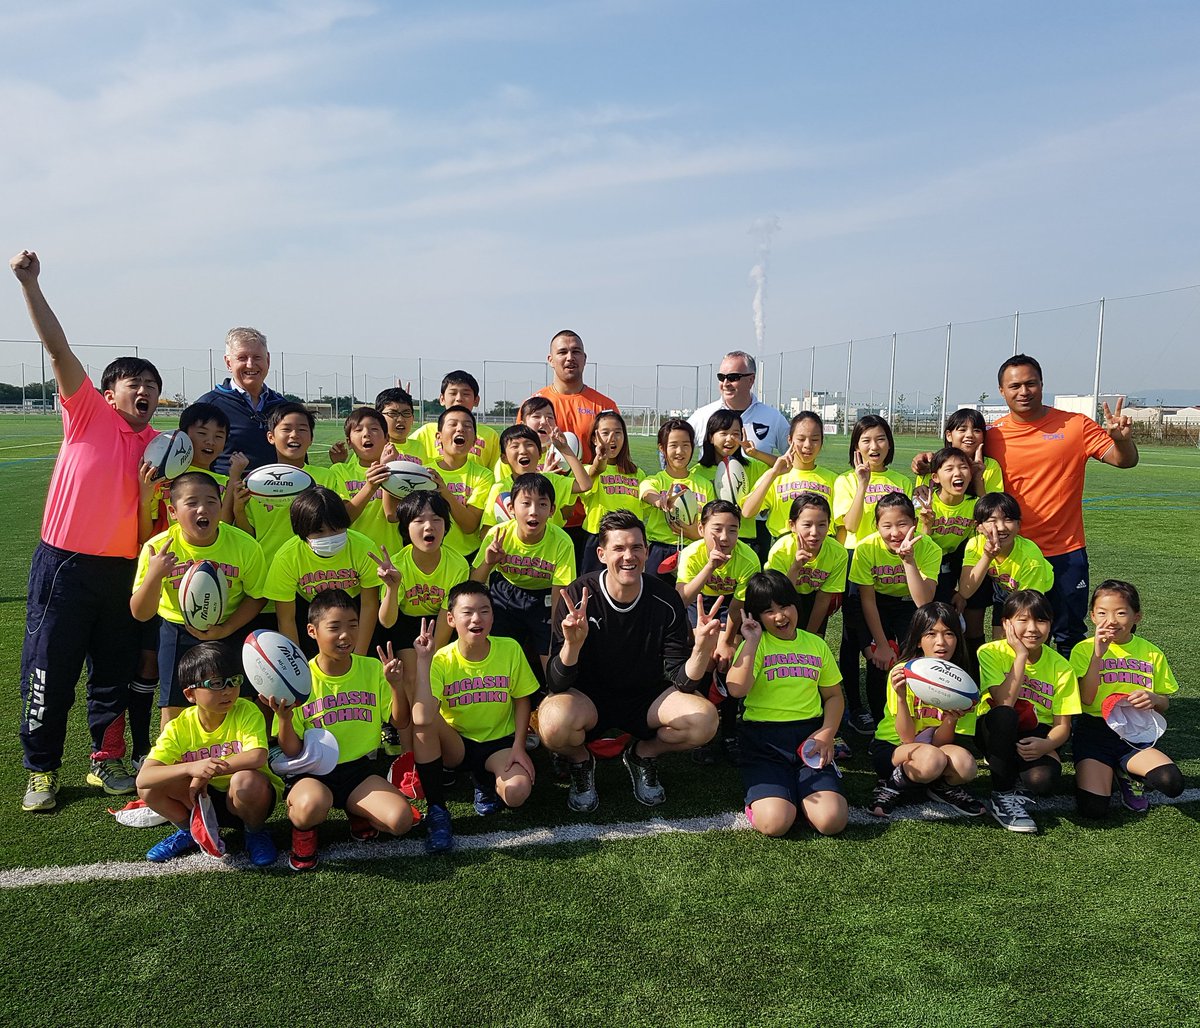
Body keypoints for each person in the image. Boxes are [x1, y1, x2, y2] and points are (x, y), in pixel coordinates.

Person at [12, 250, 163, 811]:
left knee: (113, 673)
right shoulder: (87, 414)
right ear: (108, 391)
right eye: (134, 383)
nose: (144, 391)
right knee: (49, 668)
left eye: (152, 385)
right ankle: (42, 770)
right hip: (65, 567)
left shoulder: (161, 448)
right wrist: (30, 284)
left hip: (125, 572)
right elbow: (57, 348)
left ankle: (107, 759)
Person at [537, 510, 722, 812]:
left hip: (646, 699)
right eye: (619, 548)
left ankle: (643, 754)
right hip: (589, 700)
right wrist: (573, 644)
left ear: (646, 552)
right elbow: (556, 683)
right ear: (601, 554)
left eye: (636, 547)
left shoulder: (665, 600)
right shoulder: (578, 597)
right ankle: (581, 761)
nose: (628, 556)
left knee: (705, 721)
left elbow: (682, 680)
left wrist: (701, 648)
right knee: (552, 723)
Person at [985, 354, 1138, 652]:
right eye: (1014, 386)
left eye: (1031, 383)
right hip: (1013, 553)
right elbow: (955, 466)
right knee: (1013, 636)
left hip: (1065, 551)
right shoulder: (992, 435)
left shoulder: (1075, 426)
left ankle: (1071, 685)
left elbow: (1124, 461)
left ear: (1042, 385)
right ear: (1002, 391)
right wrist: (925, 462)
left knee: (1069, 634)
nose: (1024, 391)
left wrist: (1121, 440)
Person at [271, 589, 415, 871]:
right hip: (312, 773)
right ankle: (304, 832)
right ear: (312, 631)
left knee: (401, 820)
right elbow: (291, 749)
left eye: (353, 625)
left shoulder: (372, 668)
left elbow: (400, 722)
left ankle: (356, 808)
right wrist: (285, 719)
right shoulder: (298, 681)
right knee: (309, 807)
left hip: (357, 771)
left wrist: (397, 686)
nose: (345, 635)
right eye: (334, 627)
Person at [130, 472, 269, 726]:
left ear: (221, 506)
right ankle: (172, 751)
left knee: (239, 699)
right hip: (177, 629)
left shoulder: (244, 545)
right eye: (192, 503)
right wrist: (154, 575)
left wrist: (226, 628)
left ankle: (242, 746)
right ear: (173, 512)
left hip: (229, 627)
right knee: (175, 705)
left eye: (211, 502)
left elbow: (257, 596)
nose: (202, 509)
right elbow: (140, 613)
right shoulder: (158, 548)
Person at [411, 582, 540, 852]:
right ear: (451, 619)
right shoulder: (441, 659)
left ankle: (485, 780)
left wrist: (519, 746)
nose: (476, 619)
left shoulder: (510, 648)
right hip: (456, 745)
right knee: (425, 724)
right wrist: (423, 661)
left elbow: (521, 699)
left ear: (493, 616)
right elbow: (422, 717)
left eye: (484, 611)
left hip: (498, 744)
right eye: (467, 612)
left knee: (516, 793)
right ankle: (437, 810)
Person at [723, 571, 848, 838]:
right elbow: (736, 689)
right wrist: (751, 642)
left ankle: (800, 797)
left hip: (810, 740)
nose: (780, 616)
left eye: (784, 606)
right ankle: (777, 800)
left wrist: (827, 733)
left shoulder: (815, 644)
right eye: (768, 611)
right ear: (757, 616)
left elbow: (834, 697)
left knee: (832, 821)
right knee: (775, 824)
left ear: (796, 604)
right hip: (763, 743)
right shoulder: (756, 645)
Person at [135, 642, 281, 866]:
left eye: (234, 681)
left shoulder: (246, 710)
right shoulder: (179, 726)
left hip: (244, 798)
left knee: (247, 780)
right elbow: (144, 778)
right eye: (216, 684)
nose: (228, 690)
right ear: (190, 694)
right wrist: (191, 769)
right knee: (150, 788)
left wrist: (207, 772)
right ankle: (190, 830)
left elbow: (257, 756)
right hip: (198, 801)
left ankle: (255, 831)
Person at [1069, 580, 1183, 817]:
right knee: (1093, 809)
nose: (1111, 620)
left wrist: (1153, 698)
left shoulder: (1151, 652)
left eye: (1121, 613)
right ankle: (1108, 770)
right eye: (1102, 613)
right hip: (1094, 731)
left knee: (1171, 782)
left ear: (1136, 617)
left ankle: (1127, 774)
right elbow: (1086, 700)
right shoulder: (1083, 649)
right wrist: (1098, 656)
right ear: (1092, 616)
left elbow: (1164, 703)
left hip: (1135, 733)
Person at [976, 590, 1079, 833]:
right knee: (1005, 715)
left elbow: (1063, 726)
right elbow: (1004, 702)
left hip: (1036, 733)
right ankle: (1002, 794)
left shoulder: (1062, 667)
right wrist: (1021, 656)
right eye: (1023, 620)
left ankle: (1011, 766)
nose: (1032, 628)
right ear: (1006, 624)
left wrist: (1046, 745)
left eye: (1041, 620)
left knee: (1042, 781)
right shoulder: (990, 652)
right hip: (995, 727)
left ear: (1050, 624)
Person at [868, 602, 984, 819]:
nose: (941, 642)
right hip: (894, 748)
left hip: (932, 751)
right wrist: (901, 697)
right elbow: (906, 738)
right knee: (932, 759)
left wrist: (950, 719)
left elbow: (941, 743)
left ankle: (940, 787)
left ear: (958, 639)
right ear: (918, 640)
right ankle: (892, 784)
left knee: (966, 765)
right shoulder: (902, 672)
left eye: (949, 633)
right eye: (931, 634)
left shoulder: (964, 684)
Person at [849, 493, 940, 724]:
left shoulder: (929, 548)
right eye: (887, 526)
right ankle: (879, 720)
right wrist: (881, 644)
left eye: (902, 524)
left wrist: (908, 560)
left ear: (915, 523)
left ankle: (914, 715)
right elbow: (867, 600)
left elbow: (923, 602)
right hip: (876, 603)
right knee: (880, 660)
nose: (895, 533)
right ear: (876, 526)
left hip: (909, 603)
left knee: (911, 657)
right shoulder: (866, 548)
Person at [263, 486, 384, 658]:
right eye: (319, 531)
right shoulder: (287, 557)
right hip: (310, 611)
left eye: (335, 529)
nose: (329, 537)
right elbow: (286, 619)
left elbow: (369, 606)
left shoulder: (364, 548)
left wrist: (359, 657)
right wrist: (297, 663)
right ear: (302, 531)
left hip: (354, 609)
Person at [536, 330, 619, 547]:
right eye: (562, 352)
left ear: (584, 358)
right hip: (547, 513)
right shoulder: (535, 405)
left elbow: (617, 458)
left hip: (593, 516)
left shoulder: (604, 406)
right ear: (550, 359)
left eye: (576, 352)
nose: (570, 357)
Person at [957, 492, 1053, 640]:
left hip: (1038, 593)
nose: (1001, 527)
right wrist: (987, 556)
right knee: (999, 640)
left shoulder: (1030, 557)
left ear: (1018, 525)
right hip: (1006, 590)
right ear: (978, 526)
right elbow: (965, 591)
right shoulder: (975, 544)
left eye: (1008, 520)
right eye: (992, 520)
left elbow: (1030, 607)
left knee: (1027, 638)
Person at [195, 327, 289, 474]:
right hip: (224, 488)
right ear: (228, 363)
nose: (250, 364)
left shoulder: (284, 407)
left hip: (277, 487)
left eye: (257, 357)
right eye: (242, 358)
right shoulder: (208, 405)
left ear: (268, 360)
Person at [741, 411, 836, 541]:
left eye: (814, 439)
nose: (808, 445)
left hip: (822, 546)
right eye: (801, 439)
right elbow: (747, 512)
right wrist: (772, 474)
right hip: (784, 547)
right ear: (790, 440)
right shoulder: (776, 476)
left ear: (821, 441)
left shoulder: (833, 479)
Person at [687, 350, 790, 460]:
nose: (725, 383)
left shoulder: (773, 417)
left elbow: (794, 457)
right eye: (721, 377)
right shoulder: (702, 416)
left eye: (733, 377)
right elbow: (676, 447)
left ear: (751, 380)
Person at [579, 410, 646, 575]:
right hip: (597, 539)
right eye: (605, 433)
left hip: (630, 542)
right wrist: (600, 461)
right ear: (594, 439)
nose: (612, 438)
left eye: (618, 432)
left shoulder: (637, 473)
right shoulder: (587, 471)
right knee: (594, 586)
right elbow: (593, 473)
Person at [410, 371, 500, 469]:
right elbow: (403, 449)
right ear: (442, 399)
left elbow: (497, 471)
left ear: (476, 400)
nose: (459, 398)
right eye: (453, 393)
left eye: (466, 394)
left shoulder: (490, 435)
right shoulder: (426, 432)